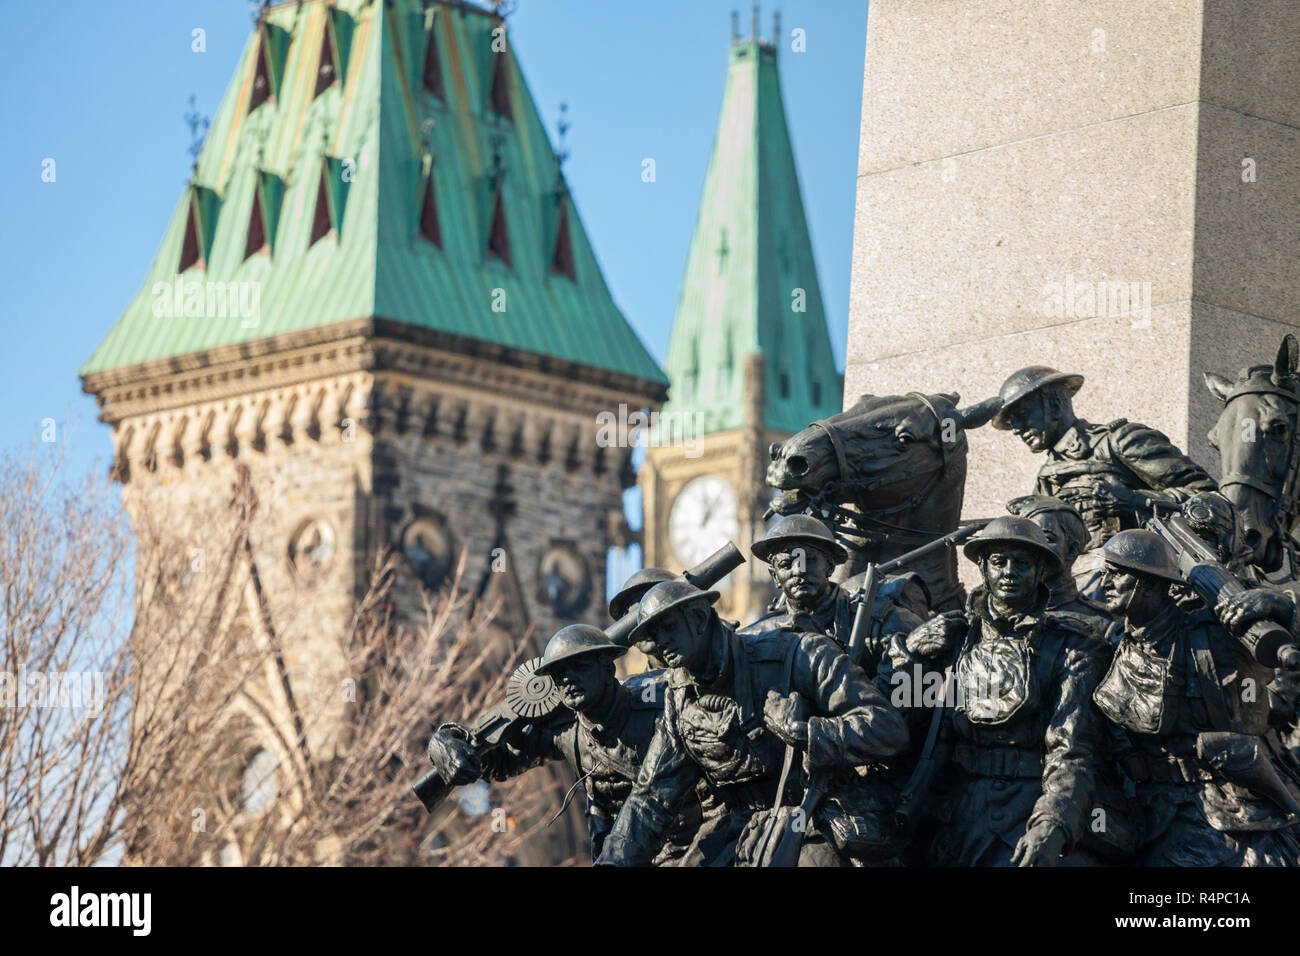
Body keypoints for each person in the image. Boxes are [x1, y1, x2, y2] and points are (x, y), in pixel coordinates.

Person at [595, 580, 909, 866]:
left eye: (668, 628)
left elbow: (887, 729)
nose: (660, 642)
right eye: (651, 637)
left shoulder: (798, 654)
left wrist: (808, 733)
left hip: (821, 817)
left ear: (700, 619)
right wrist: (611, 861)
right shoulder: (679, 700)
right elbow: (650, 797)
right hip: (748, 834)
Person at [894, 517, 1111, 866]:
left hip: (1031, 806)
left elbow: (1072, 750)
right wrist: (910, 657)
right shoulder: (952, 639)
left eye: (1022, 563)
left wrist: (1052, 823)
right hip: (956, 818)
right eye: (999, 562)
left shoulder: (1072, 646)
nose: (1010, 572)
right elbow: (901, 725)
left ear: (1041, 571)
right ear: (982, 567)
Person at [1092, 530, 1300, 866]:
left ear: (1150, 583)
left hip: (1242, 823)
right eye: (1105, 572)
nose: (1105, 583)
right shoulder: (1113, 643)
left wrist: (1283, 606)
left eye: (1118, 574)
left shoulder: (1213, 633)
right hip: (1161, 823)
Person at [425, 624, 702, 863]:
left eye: (579, 667)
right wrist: (447, 740)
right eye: (558, 674)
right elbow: (496, 762)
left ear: (607, 668)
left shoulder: (660, 701)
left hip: (692, 850)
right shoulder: (565, 729)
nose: (568, 679)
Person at [990, 366, 1216, 551]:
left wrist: (1132, 501)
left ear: (1055, 404)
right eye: (1011, 423)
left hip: (1136, 578)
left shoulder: (1120, 440)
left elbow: (1210, 498)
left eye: (1021, 416)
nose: (1017, 429)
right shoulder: (1047, 478)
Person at [742, 514, 925, 677]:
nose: (799, 571)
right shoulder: (762, 635)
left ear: (829, 566)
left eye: (810, 560)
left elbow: (913, 696)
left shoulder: (882, 622)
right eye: (786, 564)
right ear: (774, 576)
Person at [1005, 495, 1115, 641]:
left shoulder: (1105, 624)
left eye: (1046, 538)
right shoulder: (997, 616)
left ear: (1071, 550)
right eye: (1025, 539)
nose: (1032, 547)